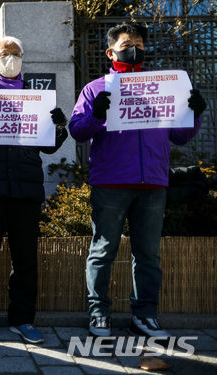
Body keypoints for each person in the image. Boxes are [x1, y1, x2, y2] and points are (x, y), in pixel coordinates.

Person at [69, 22, 206, 338]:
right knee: (103, 251)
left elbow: (181, 136)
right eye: (128, 43)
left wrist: (195, 113)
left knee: (148, 255)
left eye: (140, 44)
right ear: (110, 51)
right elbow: (77, 130)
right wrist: (97, 114)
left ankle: (144, 315)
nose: (135, 48)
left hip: (154, 183)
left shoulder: (163, 87)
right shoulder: (95, 89)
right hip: (111, 182)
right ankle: (98, 313)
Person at [0, 36, 68, 344]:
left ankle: (23, 319)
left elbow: (48, 145)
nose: (12, 58)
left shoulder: (37, 98)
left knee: (25, 259)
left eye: (16, 54)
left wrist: (60, 127)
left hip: (25, 190)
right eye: (5, 54)